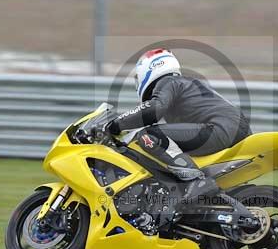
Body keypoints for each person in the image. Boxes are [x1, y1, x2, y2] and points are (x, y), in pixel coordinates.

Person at [105, 48, 251, 203]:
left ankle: (197, 181)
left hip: (221, 128)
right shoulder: (186, 84)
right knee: (166, 145)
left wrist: (117, 124)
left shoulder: (168, 82)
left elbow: (154, 109)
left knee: (149, 135)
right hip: (232, 129)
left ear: (150, 68)